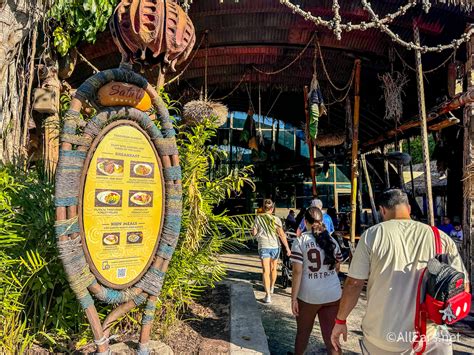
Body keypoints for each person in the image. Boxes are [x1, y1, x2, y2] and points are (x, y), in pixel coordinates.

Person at [330, 189, 469, 355]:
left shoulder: (372, 236)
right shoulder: (440, 237)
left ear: (382, 210)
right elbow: (463, 286)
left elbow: (353, 284)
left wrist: (340, 320)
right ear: (408, 208)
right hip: (430, 338)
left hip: (383, 338)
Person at [291, 207, 343, 355]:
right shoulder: (331, 240)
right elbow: (338, 265)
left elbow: (297, 271)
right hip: (333, 293)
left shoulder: (300, 241)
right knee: (331, 337)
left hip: (309, 295)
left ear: (305, 222)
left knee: (303, 334)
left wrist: (293, 298)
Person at [252, 199, 291, 304]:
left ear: (263, 208)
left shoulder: (258, 218)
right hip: (275, 247)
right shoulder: (276, 219)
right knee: (274, 269)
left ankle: (268, 295)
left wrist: (256, 233)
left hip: (264, 246)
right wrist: (287, 248)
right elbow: (282, 235)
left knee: (266, 270)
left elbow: (254, 233)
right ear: (272, 209)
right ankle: (272, 286)